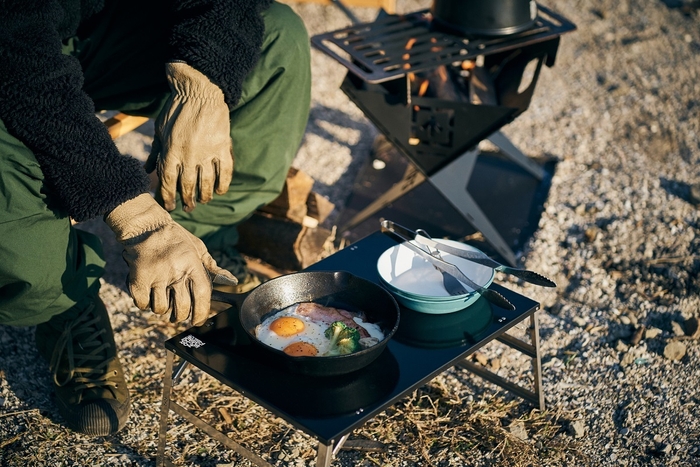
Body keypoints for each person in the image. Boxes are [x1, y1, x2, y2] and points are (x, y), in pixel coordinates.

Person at [0, 0, 311, 436]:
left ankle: (202, 232)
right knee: (27, 261)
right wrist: (138, 216)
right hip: (13, 54)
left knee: (278, 36)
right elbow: (18, 53)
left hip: (91, 31)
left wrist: (201, 81)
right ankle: (66, 303)